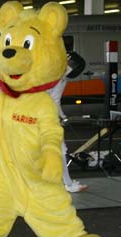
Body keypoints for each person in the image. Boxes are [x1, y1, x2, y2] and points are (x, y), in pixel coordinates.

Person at [47, 52, 88, 193]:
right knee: (59, 150)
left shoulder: (49, 71)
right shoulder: (59, 78)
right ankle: (68, 184)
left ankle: (67, 183)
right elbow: (54, 101)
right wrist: (63, 117)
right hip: (46, 118)